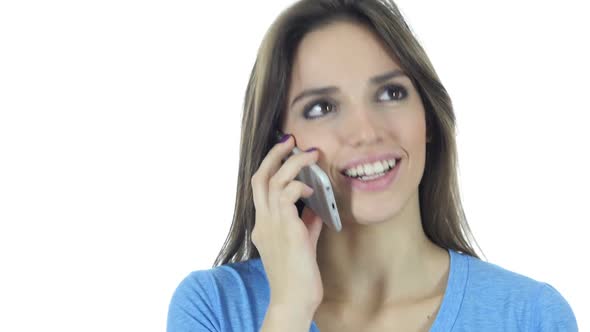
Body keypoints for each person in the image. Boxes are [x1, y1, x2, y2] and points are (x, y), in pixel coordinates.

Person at [167, 0, 578, 331]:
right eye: (322, 107)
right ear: (280, 146)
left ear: (428, 119)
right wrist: (289, 309)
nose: (365, 132)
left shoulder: (532, 315)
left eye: (390, 94)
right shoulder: (214, 308)